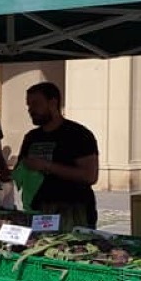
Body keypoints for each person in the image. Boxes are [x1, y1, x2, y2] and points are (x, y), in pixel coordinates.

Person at [18, 82, 99, 229]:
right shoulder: (31, 137)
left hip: (74, 211)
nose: (30, 110)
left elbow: (90, 176)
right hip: (40, 211)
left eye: (35, 104)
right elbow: (22, 169)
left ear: (52, 103)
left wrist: (46, 166)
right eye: (28, 105)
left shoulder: (79, 135)